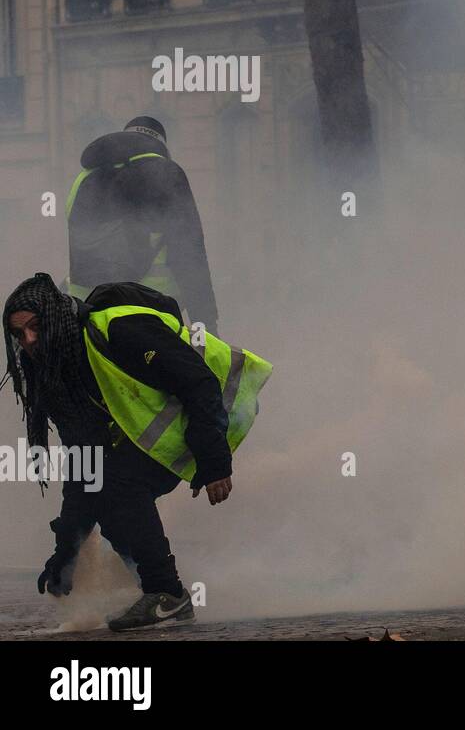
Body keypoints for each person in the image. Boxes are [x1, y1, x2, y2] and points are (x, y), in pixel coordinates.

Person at [2, 273, 270, 631]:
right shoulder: (58, 373)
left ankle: (166, 593)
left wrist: (214, 460)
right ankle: (157, 591)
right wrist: (66, 554)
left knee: (116, 484)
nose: (29, 340)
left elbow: (199, 383)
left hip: (222, 405)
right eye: (19, 334)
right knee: (105, 486)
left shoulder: (120, 330)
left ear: (56, 316)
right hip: (175, 428)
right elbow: (85, 468)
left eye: (36, 327)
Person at [67, 116, 219, 333]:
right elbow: (189, 253)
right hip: (150, 310)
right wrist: (205, 322)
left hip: (90, 313)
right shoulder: (165, 173)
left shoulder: (82, 179)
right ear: (161, 147)